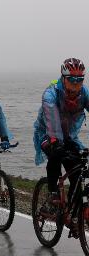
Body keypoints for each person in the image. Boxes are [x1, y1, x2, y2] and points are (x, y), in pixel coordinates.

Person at [33, 58, 88, 213]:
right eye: (72, 79)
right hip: (46, 133)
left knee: (78, 171)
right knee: (56, 154)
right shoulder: (51, 94)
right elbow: (52, 120)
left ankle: (73, 211)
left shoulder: (84, 93)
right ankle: (52, 195)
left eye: (80, 79)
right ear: (64, 78)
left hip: (68, 136)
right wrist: (56, 142)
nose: (76, 83)